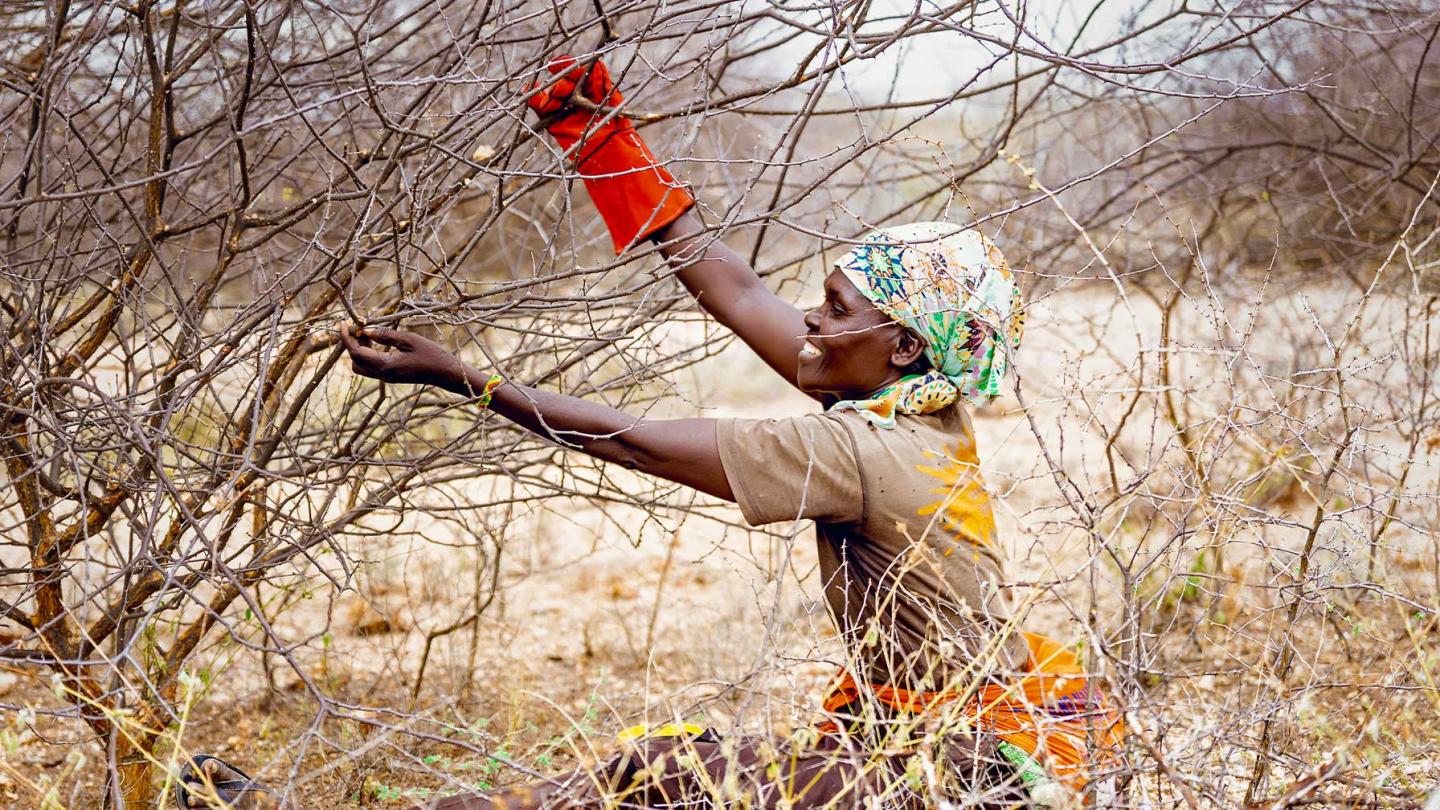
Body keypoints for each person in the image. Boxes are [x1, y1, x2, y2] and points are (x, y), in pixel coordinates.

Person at [178, 55, 1123, 810]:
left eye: (835, 309)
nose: (812, 320)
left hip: (962, 771)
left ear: (904, 343)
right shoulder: (899, 399)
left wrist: (464, 378)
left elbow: (631, 441)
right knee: (669, 774)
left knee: (680, 772)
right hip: (915, 730)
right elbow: (734, 287)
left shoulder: (868, 451)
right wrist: (600, 138)